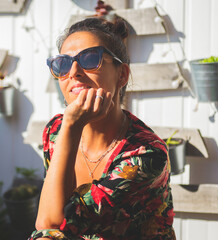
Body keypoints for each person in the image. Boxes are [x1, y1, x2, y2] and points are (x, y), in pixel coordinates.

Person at [28, 16, 176, 240]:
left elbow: (54, 222)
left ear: (122, 74)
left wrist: (71, 124)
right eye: (63, 63)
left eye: (90, 59)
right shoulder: (56, 131)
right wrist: (69, 127)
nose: (74, 72)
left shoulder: (145, 152)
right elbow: (48, 227)